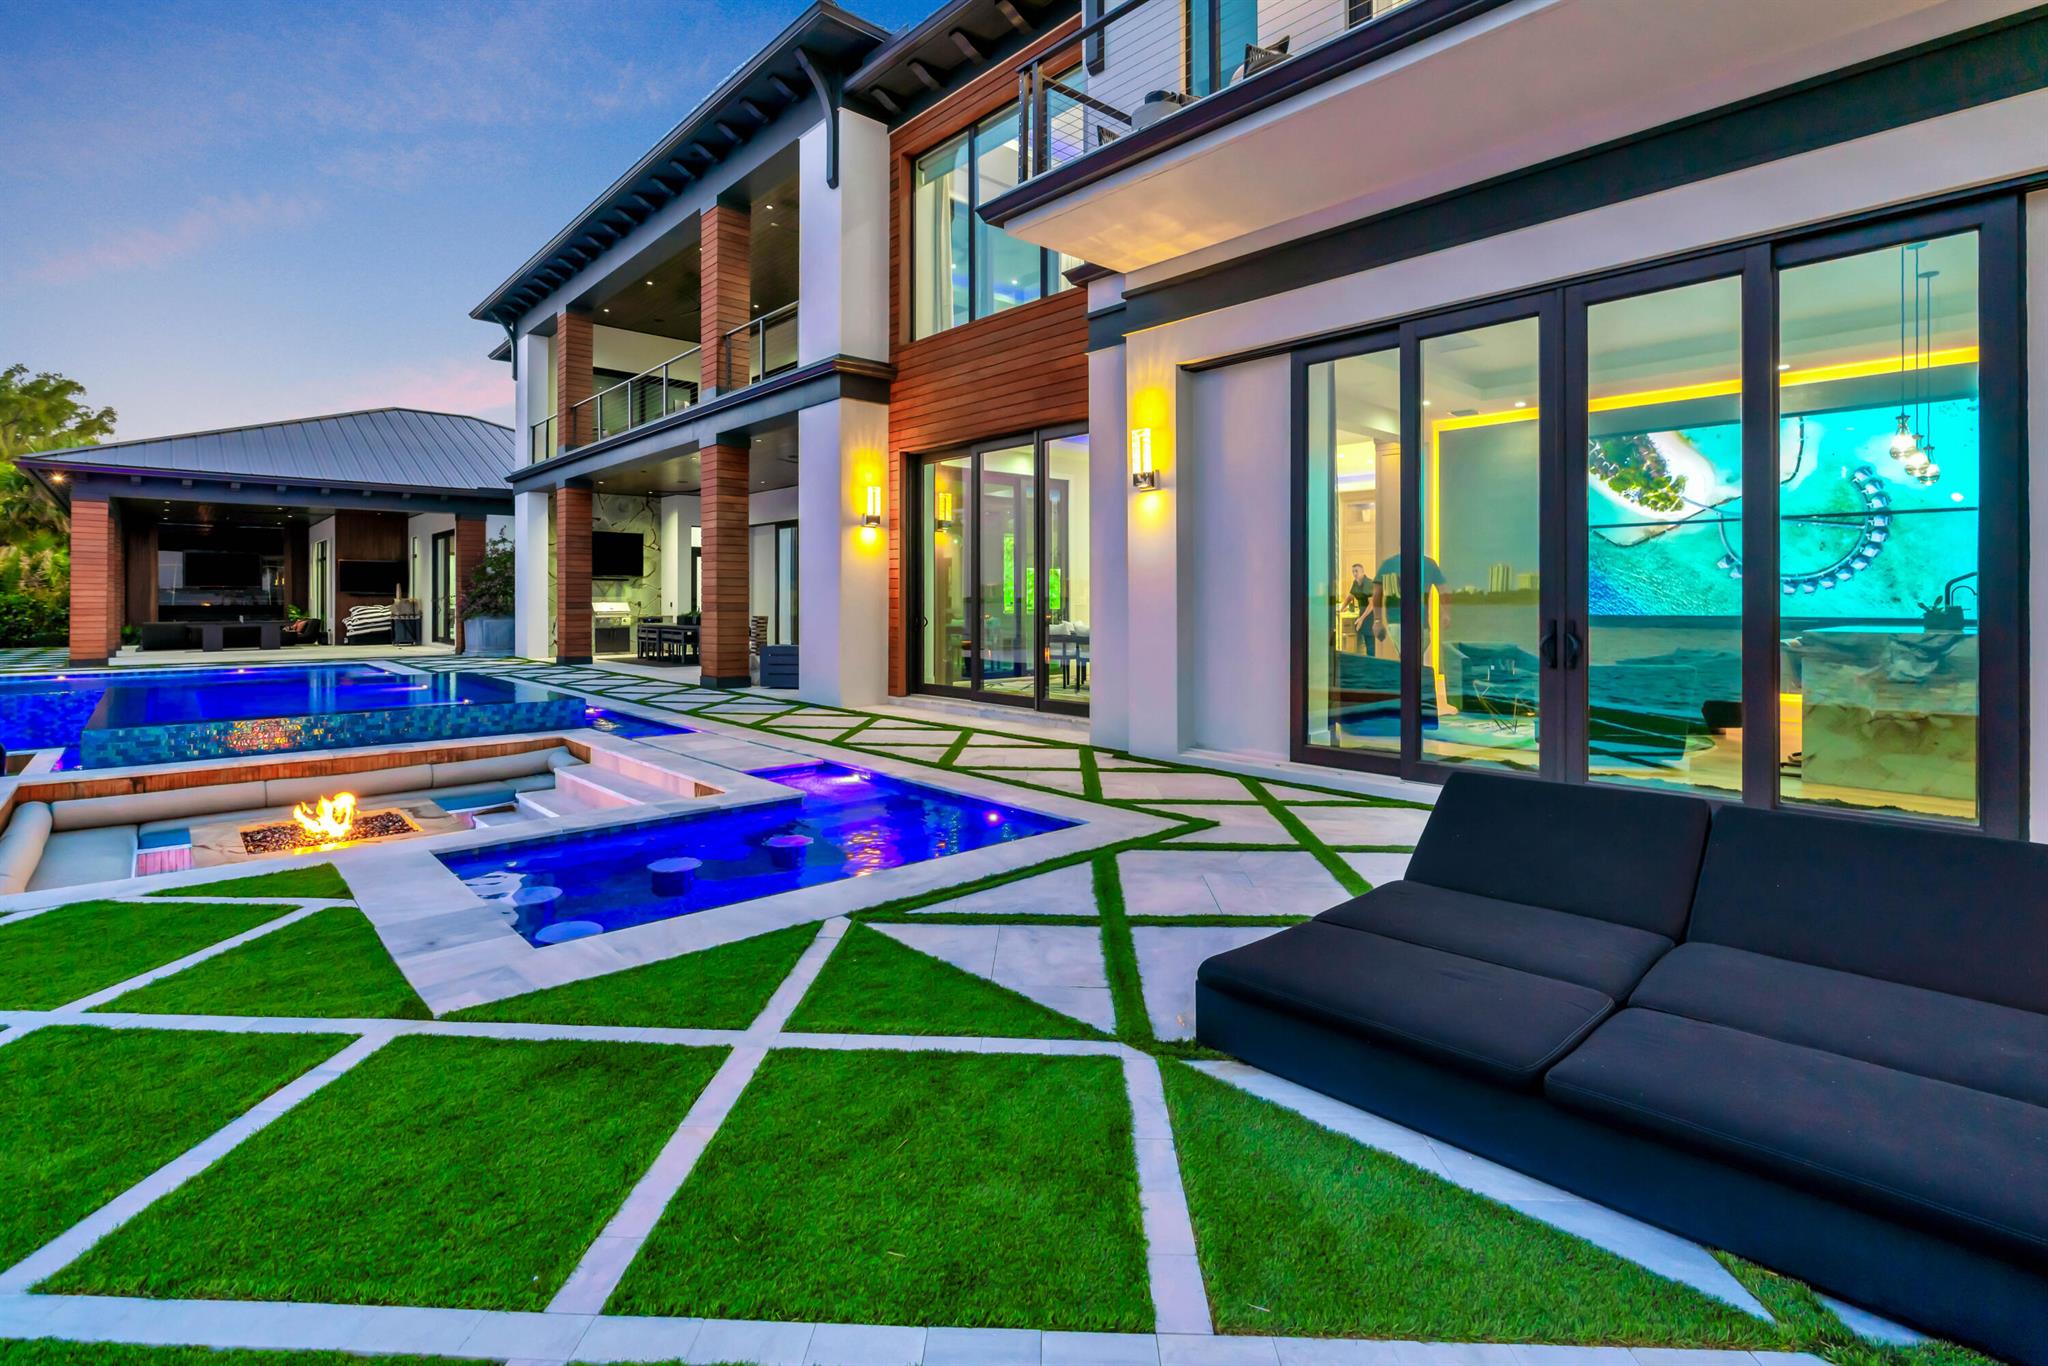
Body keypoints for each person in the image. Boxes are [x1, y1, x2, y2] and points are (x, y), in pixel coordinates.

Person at [1367, 552, 1448, 660]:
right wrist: (1446, 613)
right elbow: (1443, 590)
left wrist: (1378, 621)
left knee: (1409, 659)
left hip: (1397, 622)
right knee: (1413, 658)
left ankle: (1410, 669)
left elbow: (1377, 594)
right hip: (1419, 622)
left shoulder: (1389, 564)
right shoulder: (1428, 563)